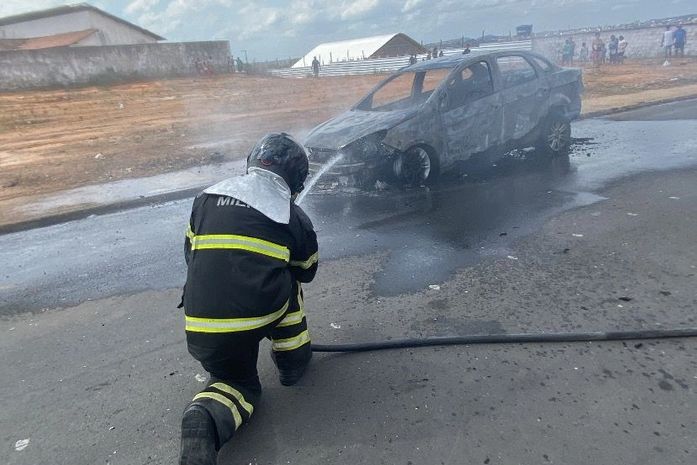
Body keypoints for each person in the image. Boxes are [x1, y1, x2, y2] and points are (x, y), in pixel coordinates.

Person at [178, 133, 318, 465]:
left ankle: (206, 416)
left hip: (200, 324)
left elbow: (190, 255)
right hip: (259, 313)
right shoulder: (290, 213)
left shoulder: (206, 197)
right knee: (289, 280)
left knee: (235, 382)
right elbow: (307, 269)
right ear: (296, 177)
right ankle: (293, 361)